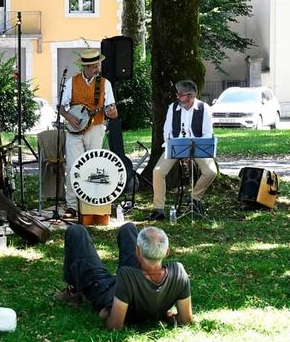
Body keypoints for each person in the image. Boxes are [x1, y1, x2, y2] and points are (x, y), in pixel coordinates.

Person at [55, 223, 193, 329]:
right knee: (129, 227)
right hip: (134, 282)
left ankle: (74, 291)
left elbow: (115, 326)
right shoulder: (178, 271)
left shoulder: (127, 275)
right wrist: (162, 312)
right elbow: (186, 320)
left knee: (76, 231)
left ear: (137, 251)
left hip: (106, 290)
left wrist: (108, 315)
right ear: (167, 252)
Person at [59, 49, 118, 217]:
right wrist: (70, 118)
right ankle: (72, 205)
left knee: (93, 166)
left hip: (96, 127)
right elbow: (61, 107)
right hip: (73, 130)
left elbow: (112, 109)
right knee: (72, 166)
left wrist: (112, 112)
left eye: (98, 65)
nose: (97, 68)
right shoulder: (72, 82)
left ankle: (91, 203)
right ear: (87, 66)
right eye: (94, 66)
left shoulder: (105, 83)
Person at [147, 80, 217, 220]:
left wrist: (191, 153)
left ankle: (194, 198)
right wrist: (179, 148)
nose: (177, 97)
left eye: (181, 95)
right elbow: (167, 132)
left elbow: (207, 135)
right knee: (158, 171)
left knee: (211, 172)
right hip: (175, 146)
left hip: (197, 147)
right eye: (177, 94)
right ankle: (158, 209)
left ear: (191, 96)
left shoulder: (204, 109)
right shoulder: (173, 107)